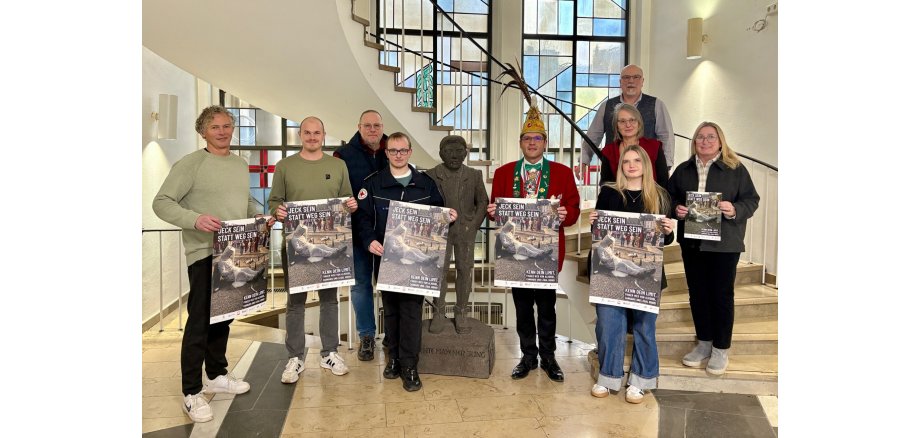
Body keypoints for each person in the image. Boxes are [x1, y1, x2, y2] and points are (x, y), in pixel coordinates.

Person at [152, 105, 266, 423]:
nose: (223, 131)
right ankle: (191, 392)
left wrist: (256, 213)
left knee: (223, 318)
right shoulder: (190, 164)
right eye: (215, 127)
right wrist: (195, 219)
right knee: (200, 322)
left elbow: (243, 200)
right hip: (204, 253)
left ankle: (216, 375)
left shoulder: (239, 164)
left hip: (236, 251)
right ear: (203, 131)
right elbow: (161, 202)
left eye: (227, 125)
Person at [355, 132, 456, 392]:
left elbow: (438, 215)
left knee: (411, 311)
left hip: (416, 263)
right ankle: (394, 359)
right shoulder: (373, 184)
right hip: (386, 259)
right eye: (393, 150)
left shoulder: (426, 184)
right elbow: (362, 219)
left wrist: (448, 217)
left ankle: (410, 366)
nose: (398, 155)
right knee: (390, 310)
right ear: (386, 153)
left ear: (410, 152)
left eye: (403, 150)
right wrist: (369, 240)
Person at [487, 103, 580, 383]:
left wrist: (565, 214)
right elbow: (495, 211)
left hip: (547, 254)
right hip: (515, 254)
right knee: (523, 307)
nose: (532, 143)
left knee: (547, 307)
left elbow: (574, 210)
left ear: (545, 143)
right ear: (520, 143)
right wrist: (492, 211)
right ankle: (528, 356)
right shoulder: (504, 173)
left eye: (537, 138)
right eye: (527, 138)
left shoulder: (562, 172)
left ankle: (549, 357)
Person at [268, 116, 358, 384]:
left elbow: (346, 200)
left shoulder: (338, 165)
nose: (312, 137)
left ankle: (329, 353)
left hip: (330, 245)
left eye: (316, 132)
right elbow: (274, 201)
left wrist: (351, 206)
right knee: (295, 303)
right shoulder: (285, 166)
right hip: (296, 247)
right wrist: (277, 211)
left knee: (329, 301)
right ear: (300, 135)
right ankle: (295, 357)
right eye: (307, 132)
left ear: (324, 135)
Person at [667, 122, 760, 376]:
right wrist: (676, 209)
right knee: (697, 294)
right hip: (692, 242)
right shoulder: (684, 169)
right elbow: (668, 197)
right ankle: (704, 342)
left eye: (711, 137)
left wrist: (735, 209)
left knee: (721, 296)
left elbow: (751, 200)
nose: (705, 141)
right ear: (694, 141)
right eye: (700, 137)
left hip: (724, 244)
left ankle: (720, 348)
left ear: (720, 142)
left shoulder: (735, 169)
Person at [588, 145, 674, 404]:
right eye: (626, 161)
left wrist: (668, 230)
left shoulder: (660, 195)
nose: (632, 165)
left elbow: (666, 240)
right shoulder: (609, 193)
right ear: (621, 166)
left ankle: (641, 380)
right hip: (611, 272)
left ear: (645, 164)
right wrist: (594, 223)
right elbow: (600, 234)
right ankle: (608, 376)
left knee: (644, 327)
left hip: (648, 272)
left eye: (637, 160)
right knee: (608, 323)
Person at [333, 110, 389, 361]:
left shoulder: (393, 149)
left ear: (382, 126)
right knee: (360, 286)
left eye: (376, 125)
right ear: (359, 127)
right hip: (356, 232)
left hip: (388, 233)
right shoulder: (343, 155)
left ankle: (393, 335)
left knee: (391, 286)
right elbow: (335, 192)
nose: (372, 129)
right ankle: (366, 336)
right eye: (367, 125)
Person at [425, 135, 489, 334]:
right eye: (449, 151)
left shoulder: (474, 175)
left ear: (466, 153)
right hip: (440, 233)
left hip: (465, 231)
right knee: (439, 271)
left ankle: (461, 312)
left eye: (459, 151)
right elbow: (425, 203)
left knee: (464, 270)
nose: (454, 155)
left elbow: (483, 202)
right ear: (441, 154)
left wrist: (473, 225)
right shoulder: (431, 175)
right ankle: (438, 312)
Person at [577, 64, 675, 179]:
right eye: (626, 77)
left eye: (636, 77)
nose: (631, 81)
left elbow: (666, 136)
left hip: (648, 172)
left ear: (642, 81)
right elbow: (593, 136)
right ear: (620, 82)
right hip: (613, 170)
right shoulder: (606, 106)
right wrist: (583, 161)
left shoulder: (657, 105)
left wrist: (665, 167)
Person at [597, 103, 668, 188]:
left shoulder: (654, 147)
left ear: (639, 123)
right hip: (618, 195)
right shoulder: (609, 151)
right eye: (622, 121)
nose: (628, 125)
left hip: (651, 195)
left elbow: (663, 181)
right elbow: (605, 183)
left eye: (632, 120)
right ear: (616, 126)